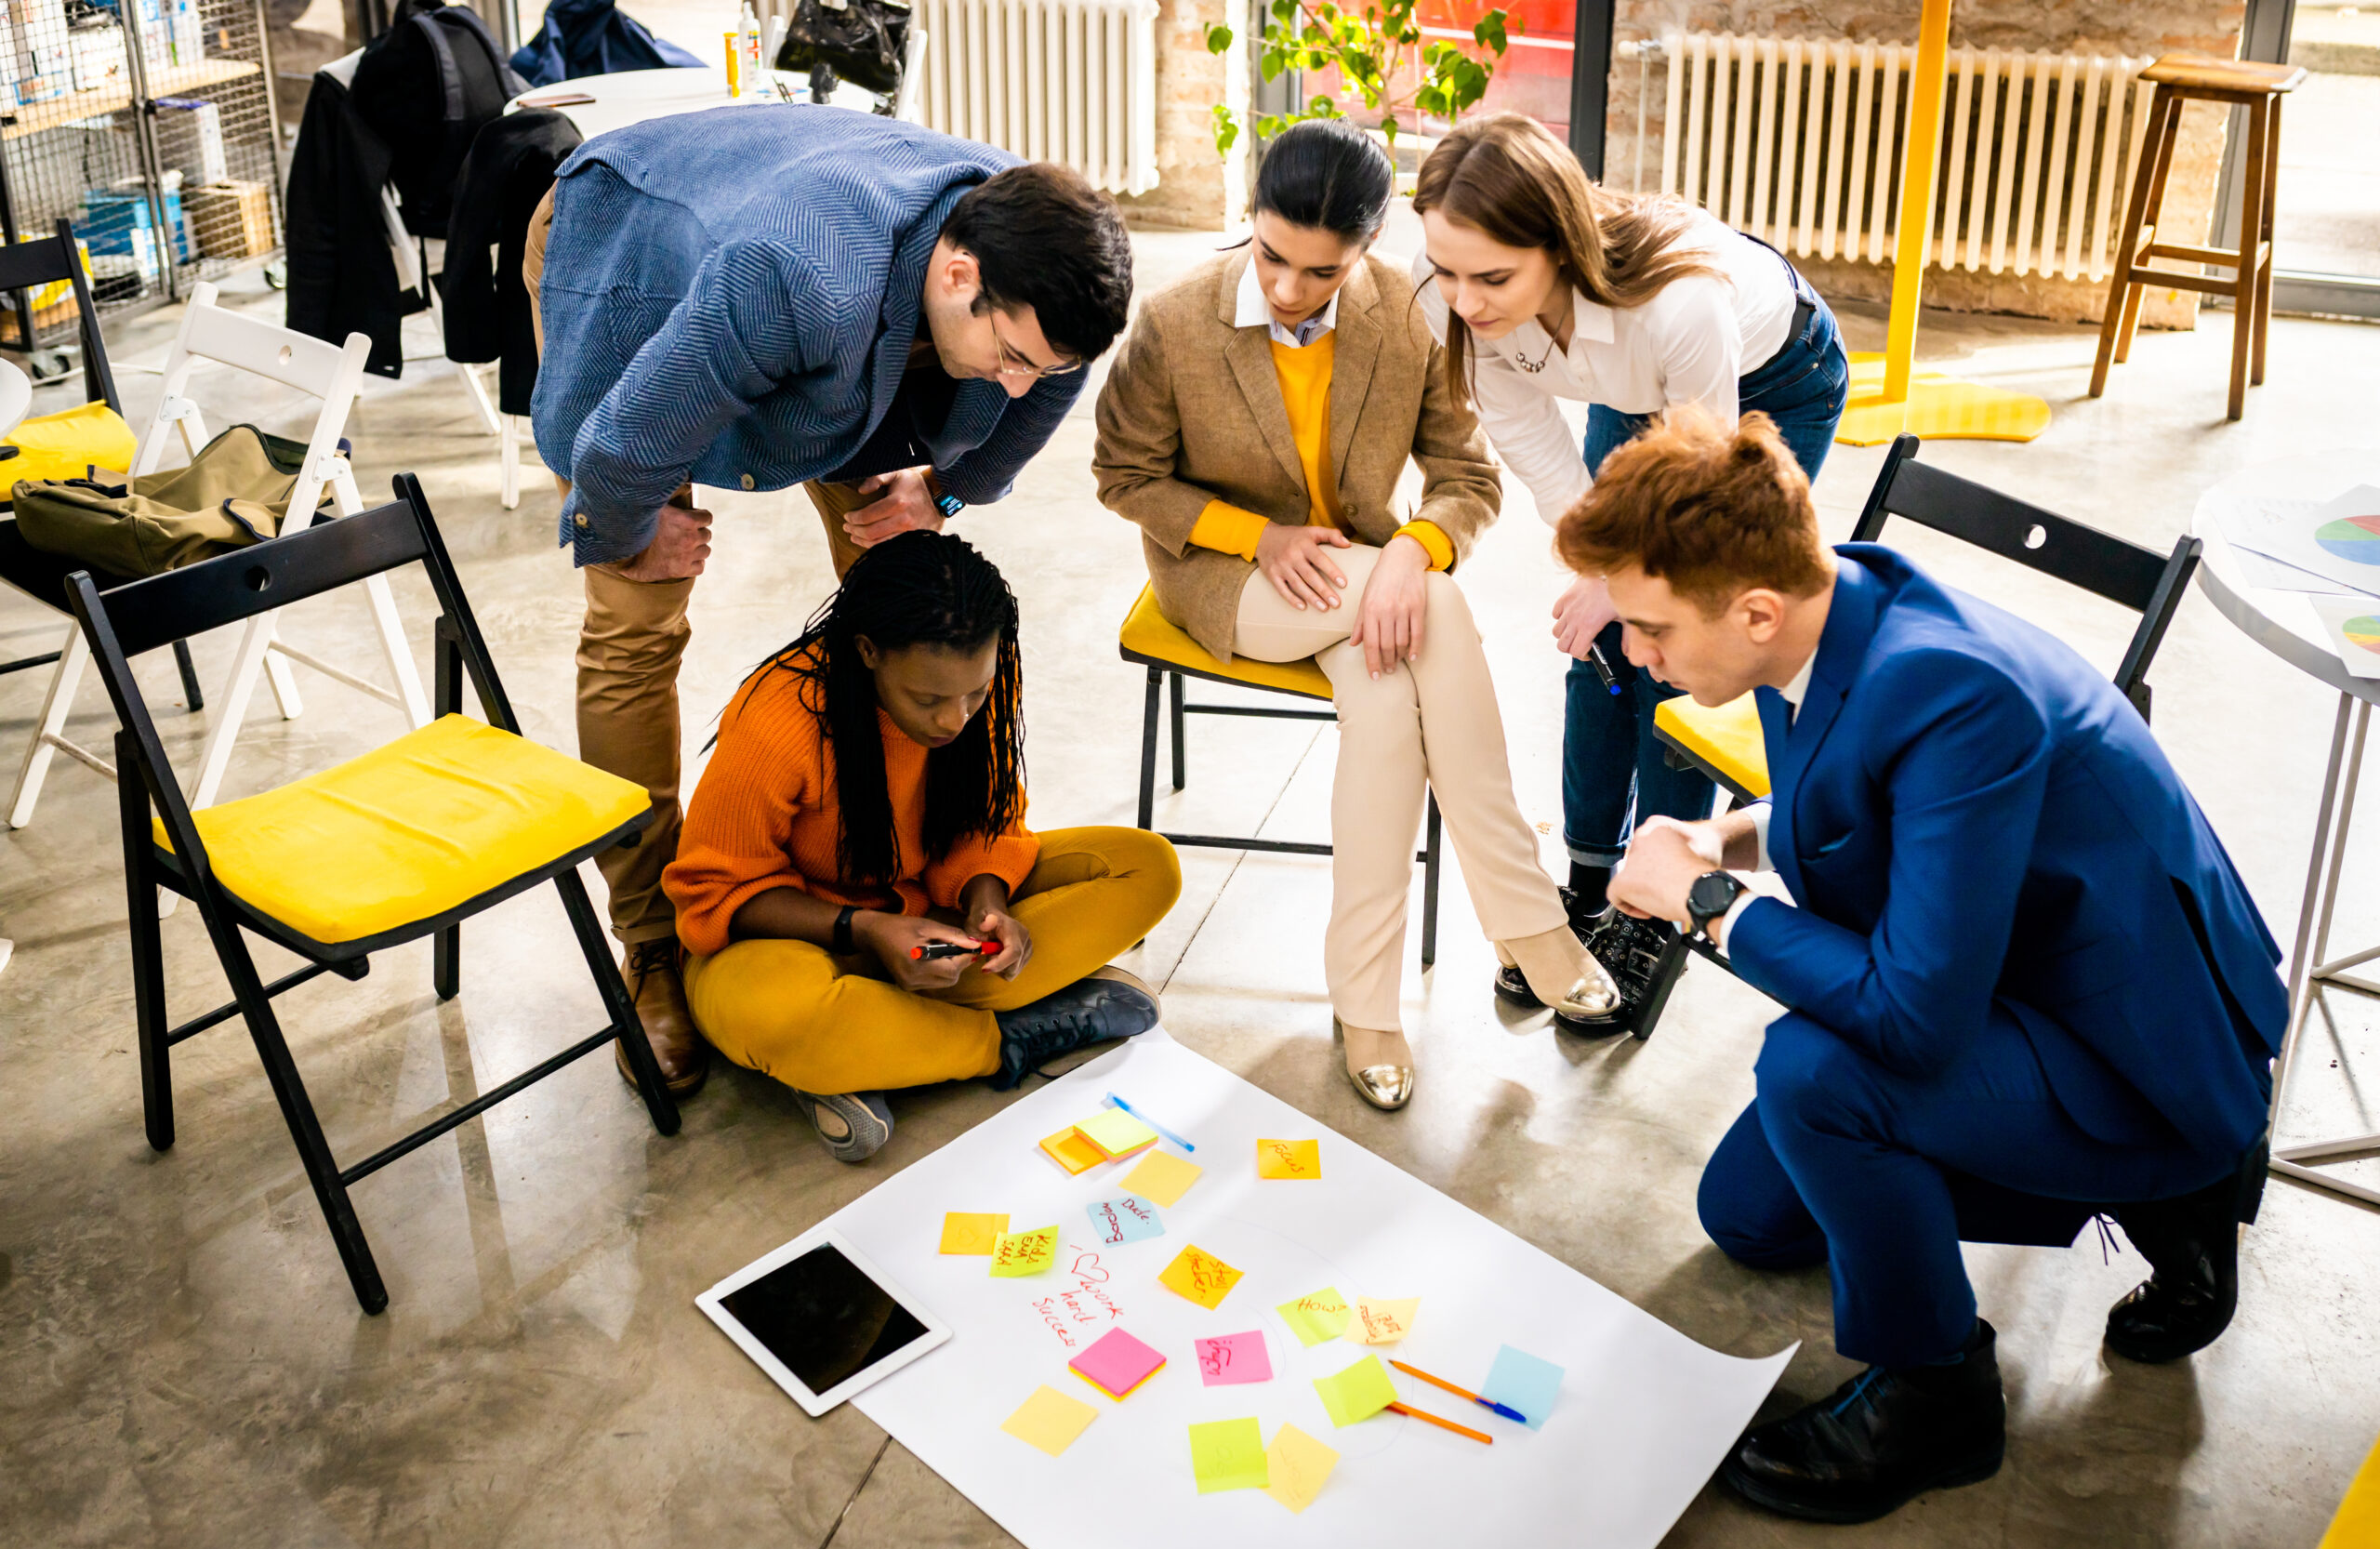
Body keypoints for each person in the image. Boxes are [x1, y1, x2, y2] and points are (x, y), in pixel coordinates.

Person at [1566, 409, 2286, 1523]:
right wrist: (1724, 837)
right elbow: (1864, 804)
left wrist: (1710, 906)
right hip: (2004, 963)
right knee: (1751, 1221)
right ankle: (2148, 1198)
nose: (1632, 652)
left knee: (1816, 1077)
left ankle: (1942, 1389)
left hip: (2129, 1046)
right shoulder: (1825, 611)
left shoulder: (1954, 692)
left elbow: (1913, 1022)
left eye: (1649, 627)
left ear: (1752, 611)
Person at [524, 104, 1135, 1098]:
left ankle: (894, 873)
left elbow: (1032, 402)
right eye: (1013, 357)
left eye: (1045, 366)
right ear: (957, 278)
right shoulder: (790, 280)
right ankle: (649, 944)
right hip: (637, 241)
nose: (1022, 388)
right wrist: (628, 526)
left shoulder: (1045, 276)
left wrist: (942, 490)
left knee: (901, 600)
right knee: (637, 619)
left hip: (834, 280)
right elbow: (622, 448)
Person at [1092, 118, 1615, 1111]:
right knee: (1444, 614)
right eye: (1272, 255)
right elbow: (1124, 477)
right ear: (1250, 218)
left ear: (1367, 248)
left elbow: (1465, 475)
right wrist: (1262, 538)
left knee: (1385, 700)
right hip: (1227, 578)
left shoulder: (1408, 318)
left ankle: (1365, 1005)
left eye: (1320, 272)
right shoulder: (1174, 321)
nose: (1289, 288)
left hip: (1365, 593)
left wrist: (1410, 554)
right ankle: (1530, 925)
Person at [1409, 112, 1850, 1033]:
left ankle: (1662, 905)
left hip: (1763, 382)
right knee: (1603, 650)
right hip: (1624, 380)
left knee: (1682, 647)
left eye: (1491, 278)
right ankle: (1586, 885)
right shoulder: (1462, 299)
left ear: (1561, 249)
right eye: (1445, 272)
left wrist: (1627, 589)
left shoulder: (1677, 308)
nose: (1463, 301)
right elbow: (1533, 444)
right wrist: (1598, 576)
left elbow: (1698, 491)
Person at [662, 533, 1182, 1162]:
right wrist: (869, 927)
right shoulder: (778, 720)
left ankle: (866, 1052)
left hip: (924, 918)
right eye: (928, 699)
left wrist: (987, 906)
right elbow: (718, 892)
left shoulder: (967, 688)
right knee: (775, 1013)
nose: (953, 719)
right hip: (798, 941)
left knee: (1146, 867)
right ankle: (1007, 1037)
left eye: (976, 694)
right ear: (868, 651)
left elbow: (988, 822)